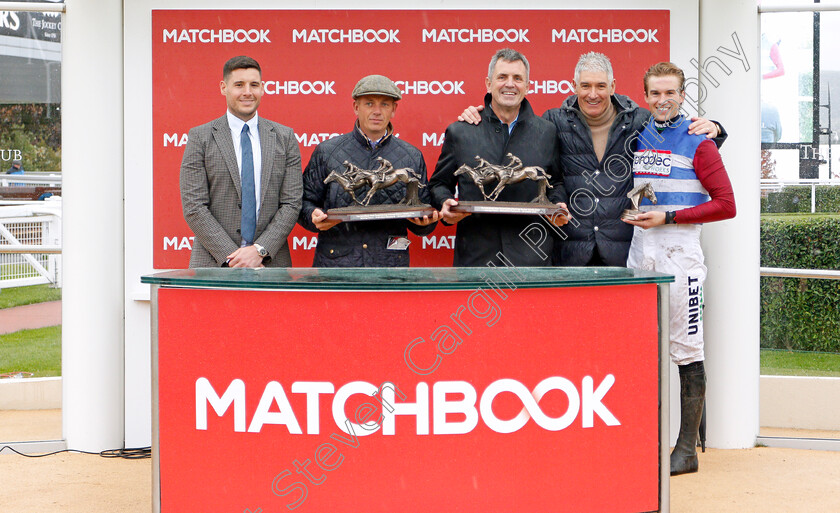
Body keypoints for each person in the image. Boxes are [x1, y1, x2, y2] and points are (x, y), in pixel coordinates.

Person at [459, 52, 725, 266]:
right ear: (574, 87)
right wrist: (478, 118)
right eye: (585, 85)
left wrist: (715, 129)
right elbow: (519, 143)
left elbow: (681, 141)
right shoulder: (553, 121)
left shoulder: (640, 121)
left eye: (600, 85)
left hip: (624, 251)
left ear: (613, 86)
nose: (593, 94)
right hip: (570, 250)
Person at [622, 62, 736, 476]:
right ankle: (643, 440)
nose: (662, 100)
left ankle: (686, 449)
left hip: (681, 252)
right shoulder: (638, 133)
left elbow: (727, 204)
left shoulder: (699, 141)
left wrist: (670, 218)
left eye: (670, 92)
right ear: (646, 96)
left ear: (683, 95)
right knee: (641, 348)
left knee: (687, 349)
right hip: (640, 249)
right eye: (655, 93)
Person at [429, 48, 567, 267]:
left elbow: (555, 182)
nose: (510, 84)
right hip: (475, 259)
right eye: (502, 77)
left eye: (517, 78)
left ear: (528, 86)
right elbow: (438, 184)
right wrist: (444, 204)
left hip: (532, 259)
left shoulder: (547, 132)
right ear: (488, 83)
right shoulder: (461, 131)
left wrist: (558, 203)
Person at [299, 74, 438, 267]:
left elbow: (425, 215)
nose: (377, 111)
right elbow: (303, 203)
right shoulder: (327, 152)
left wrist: (426, 223)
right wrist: (313, 216)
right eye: (369, 104)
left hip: (390, 267)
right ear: (356, 107)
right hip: (335, 267)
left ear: (394, 109)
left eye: (385, 104)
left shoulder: (411, 156)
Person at [180, 56, 302, 268]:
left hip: (270, 264)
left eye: (254, 85)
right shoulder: (200, 137)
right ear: (223, 87)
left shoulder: (285, 137)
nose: (247, 92)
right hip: (214, 263)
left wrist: (260, 250)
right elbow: (194, 206)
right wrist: (234, 257)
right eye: (239, 85)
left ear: (262, 88)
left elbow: (292, 203)